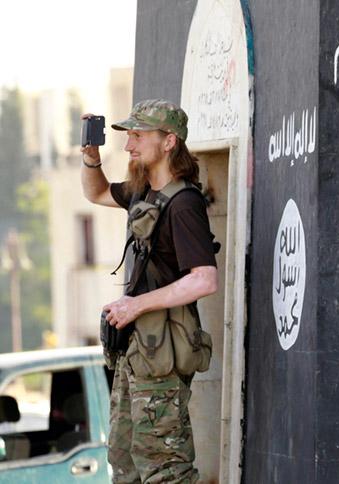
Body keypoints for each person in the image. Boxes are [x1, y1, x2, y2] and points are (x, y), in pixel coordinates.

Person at [81, 99, 218, 483]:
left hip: (164, 354)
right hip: (138, 352)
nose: (129, 146)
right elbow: (96, 193)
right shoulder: (144, 192)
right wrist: (91, 158)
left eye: (139, 136)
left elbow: (205, 278)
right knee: (126, 462)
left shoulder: (184, 203)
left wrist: (135, 304)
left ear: (169, 141)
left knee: (164, 468)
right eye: (129, 136)